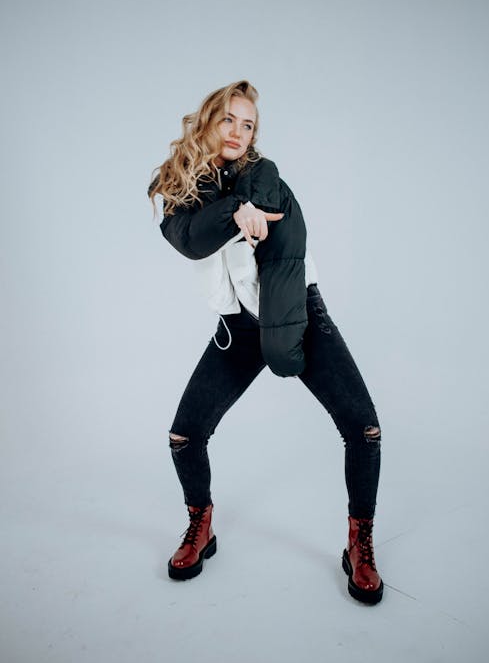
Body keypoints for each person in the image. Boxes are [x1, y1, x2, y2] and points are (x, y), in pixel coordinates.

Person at [148, 80, 383, 604]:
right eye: (228, 119)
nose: (237, 131)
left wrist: (249, 204)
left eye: (248, 123)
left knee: (363, 430)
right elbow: (187, 239)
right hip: (241, 326)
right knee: (184, 436)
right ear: (207, 120)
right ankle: (200, 526)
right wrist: (234, 212)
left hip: (297, 313)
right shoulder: (180, 186)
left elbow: (266, 196)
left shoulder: (263, 174)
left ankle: (359, 544)